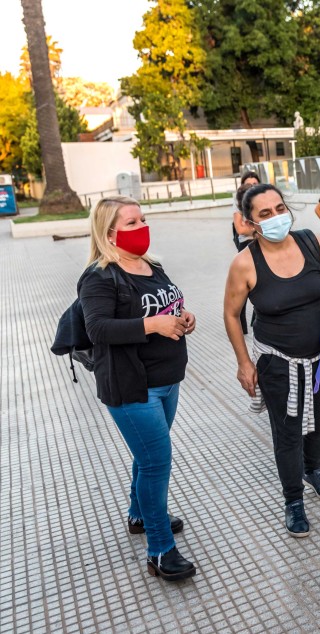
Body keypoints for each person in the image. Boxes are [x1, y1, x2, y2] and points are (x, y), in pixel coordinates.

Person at [79, 196, 198, 581]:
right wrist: (154, 326)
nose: (141, 227)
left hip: (167, 381)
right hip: (133, 388)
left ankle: (138, 515)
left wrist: (183, 317)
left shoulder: (153, 266)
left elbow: (165, 306)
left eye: (142, 219)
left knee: (146, 455)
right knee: (156, 461)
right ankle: (160, 550)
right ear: (108, 231)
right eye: (131, 222)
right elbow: (98, 329)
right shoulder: (99, 276)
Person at [224, 184, 320, 537]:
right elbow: (232, 315)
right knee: (288, 432)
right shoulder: (245, 263)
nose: (277, 217)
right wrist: (244, 362)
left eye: (280, 208)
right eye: (265, 214)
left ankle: (313, 470)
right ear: (249, 223)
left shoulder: (311, 241)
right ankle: (293, 499)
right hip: (278, 364)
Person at [233, 176, 260, 335]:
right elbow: (241, 230)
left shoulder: (261, 201)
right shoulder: (239, 205)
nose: (253, 186)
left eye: (255, 183)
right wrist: (259, 229)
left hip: (260, 242)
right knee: (243, 287)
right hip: (246, 244)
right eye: (249, 184)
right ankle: (241, 324)